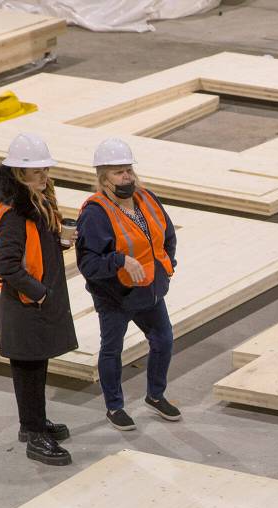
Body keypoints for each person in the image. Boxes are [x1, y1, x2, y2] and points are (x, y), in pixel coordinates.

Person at [0, 132, 78, 465]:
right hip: (25, 305)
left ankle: (34, 423)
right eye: (36, 171)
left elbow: (36, 251)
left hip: (38, 302)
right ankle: (34, 434)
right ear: (19, 173)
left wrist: (63, 243)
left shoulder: (37, 203)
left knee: (38, 365)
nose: (44, 176)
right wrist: (39, 293)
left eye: (45, 170)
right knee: (28, 367)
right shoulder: (14, 214)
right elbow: (7, 264)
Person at [75, 137, 180, 431]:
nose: (127, 177)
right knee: (112, 350)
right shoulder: (96, 213)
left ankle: (156, 396)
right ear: (103, 178)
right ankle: (114, 407)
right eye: (119, 172)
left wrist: (166, 268)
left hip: (151, 289)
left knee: (164, 340)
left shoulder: (146, 198)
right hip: (116, 296)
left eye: (128, 170)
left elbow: (167, 235)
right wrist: (120, 262)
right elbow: (88, 264)